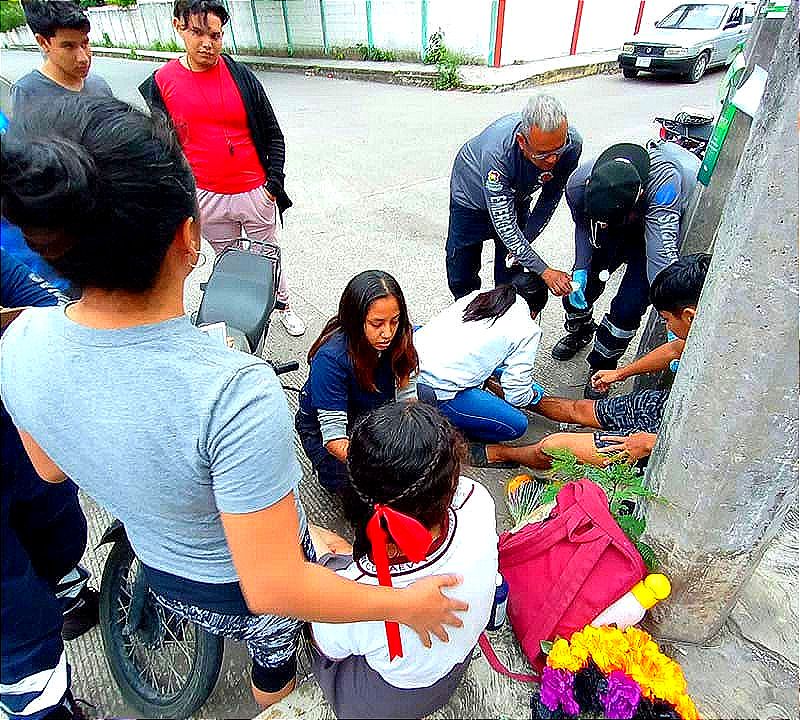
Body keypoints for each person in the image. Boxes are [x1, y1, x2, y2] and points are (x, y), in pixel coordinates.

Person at [0, 96, 467, 711]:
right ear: (189, 237)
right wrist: (406, 604)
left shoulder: (20, 342)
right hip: (242, 596)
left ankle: (320, 545)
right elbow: (274, 587)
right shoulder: (237, 392)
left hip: (160, 572)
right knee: (278, 659)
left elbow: (51, 468)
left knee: (316, 541)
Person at [311, 402, 498, 719]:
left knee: (322, 553)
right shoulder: (476, 500)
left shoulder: (356, 591)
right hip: (455, 663)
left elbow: (328, 646)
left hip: (391, 699)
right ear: (450, 480)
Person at [139, 0, 305, 336]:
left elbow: (273, 133)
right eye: (197, 32)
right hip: (206, 196)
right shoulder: (161, 83)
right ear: (178, 26)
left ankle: (283, 304)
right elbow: (163, 150)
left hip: (255, 191)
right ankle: (240, 316)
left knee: (267, 257)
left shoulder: (239, 74)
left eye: (216, 35)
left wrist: (272, 186)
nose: (207, 43)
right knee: (228, 262)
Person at [468, 254, 711, 469]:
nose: (667, 326)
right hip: (665, 406)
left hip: (669, 439)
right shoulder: (706, 328)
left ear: (689, 316)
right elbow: (674, 349)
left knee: (553, 445)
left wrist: (652, 442)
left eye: (667, 319)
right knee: (579, 408)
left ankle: (503, 453)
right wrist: (620, 373)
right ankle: (500, 390)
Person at [0, 250, 95, 720]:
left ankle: (67, 597)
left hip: (21, 445)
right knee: (24, 646)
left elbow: (43, 304)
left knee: (60, 530)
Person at [551, 142, 701, 400]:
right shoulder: (578, 185)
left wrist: (671, 312)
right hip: (608, 226)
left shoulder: (663, 188)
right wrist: (581, 267)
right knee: (579, 288)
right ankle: (580, 329)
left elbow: (660, 257)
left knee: (627, 309)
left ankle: (602, 367)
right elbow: (583, 228)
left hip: (650, 237)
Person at [446, 94, 582, 300]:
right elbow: (506, 227)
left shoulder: (571, 145)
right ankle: (468, 316)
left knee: (511, 273)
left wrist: (524, 242)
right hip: (470, 197)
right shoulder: (497, 153)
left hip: (517, 193)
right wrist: (545, 271)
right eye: (544, 155)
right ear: (522, 141)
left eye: (559, 150)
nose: (554, 160)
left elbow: (549, 199)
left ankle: (506, 316)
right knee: (462, 273)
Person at [295, 270, 418, 494]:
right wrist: (384, 465)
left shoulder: (401, 336)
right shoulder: (330, 359)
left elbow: (407, 401)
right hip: (328, 430)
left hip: (370, 409)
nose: (387, 333)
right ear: (355, 319)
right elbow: (334, 440)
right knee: (361, 486)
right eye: (377, 323)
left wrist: (409, 443)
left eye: (395, 321)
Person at [414, 269, 548, 450]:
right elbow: (516, 395)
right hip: (434, 391)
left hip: (412, 364)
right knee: (517, 425)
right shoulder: (528, 328)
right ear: (535, 312)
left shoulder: (479, 296)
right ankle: (446, 428)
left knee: (419, 329)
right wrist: (532, 396)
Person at [11, 1, 112, 118]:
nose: (83, 58)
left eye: (84, 44)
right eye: (69, 46)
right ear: (43, 42)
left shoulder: (99, 85)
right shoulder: (27, 93)